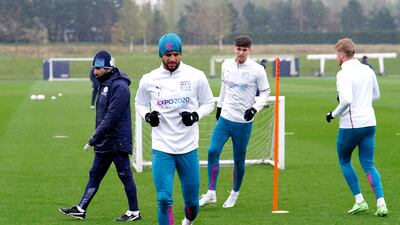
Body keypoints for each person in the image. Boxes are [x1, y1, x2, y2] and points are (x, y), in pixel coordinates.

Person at [135, 33, 214, 225]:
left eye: (176, 54)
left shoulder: (196, 76)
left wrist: (195, 115)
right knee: (163, 199)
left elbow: (209, 103)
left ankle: (188, 221)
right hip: (162, 148)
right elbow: (140, 103)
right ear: (160, 55)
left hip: (188, 149)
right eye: (168, 54)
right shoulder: (148, 79)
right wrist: (148, 116)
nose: (172, 59)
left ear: (181, 54)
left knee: (192, 204)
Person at [59, 50, 141, 222]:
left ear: (108, 68)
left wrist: (93, 138)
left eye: (99, 68)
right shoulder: (104, 83)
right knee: (94, 174)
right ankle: (81, 208)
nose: (95, 72)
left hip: (118, 141)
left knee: (125, 176)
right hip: (105, 141)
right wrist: (98, 138)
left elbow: (112, 116)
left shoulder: (120, 86)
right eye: (94, 68)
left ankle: (134, 211)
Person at [199, 35, 270, 208]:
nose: (241, 53)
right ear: (234, 49)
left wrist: (254, 109)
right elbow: (225, 88)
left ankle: (234, 193)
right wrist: (219, 107)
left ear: (250, 51)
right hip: (225, 119)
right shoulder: (226, 65)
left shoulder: (258, 70)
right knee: (212, 151)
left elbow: (265, 92)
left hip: (243, 123)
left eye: (244, 50)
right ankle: (211, 193)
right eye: (238, 49)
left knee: (239, 160)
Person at [326, 38, 388, 217]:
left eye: (336, 55)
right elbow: (376, 95)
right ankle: (381, 203)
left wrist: (332, 114)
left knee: (344, 160)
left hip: (351, 125)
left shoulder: (343, 73)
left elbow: (346, 100)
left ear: (341, 54)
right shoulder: (367, 70)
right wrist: (362, 102)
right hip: (370, 123)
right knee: (368, 163)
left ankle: (360, 201)